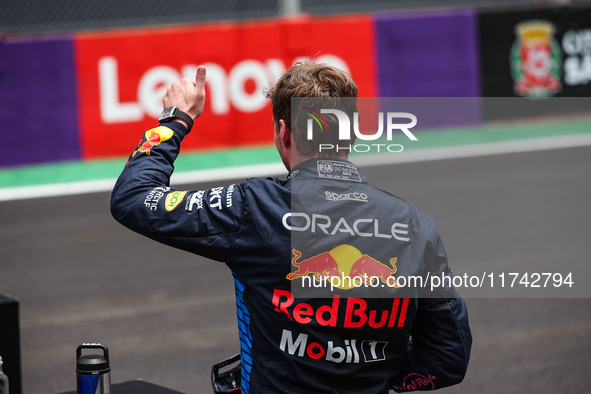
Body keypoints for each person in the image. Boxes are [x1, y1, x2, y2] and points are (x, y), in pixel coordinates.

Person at [111, 61, 472, 393]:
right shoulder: (414, 225)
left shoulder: (254, 206)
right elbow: (447, 359)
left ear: (283, 131)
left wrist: (176, 118)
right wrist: (376, 367)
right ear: (352, 133)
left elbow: (134, 197)